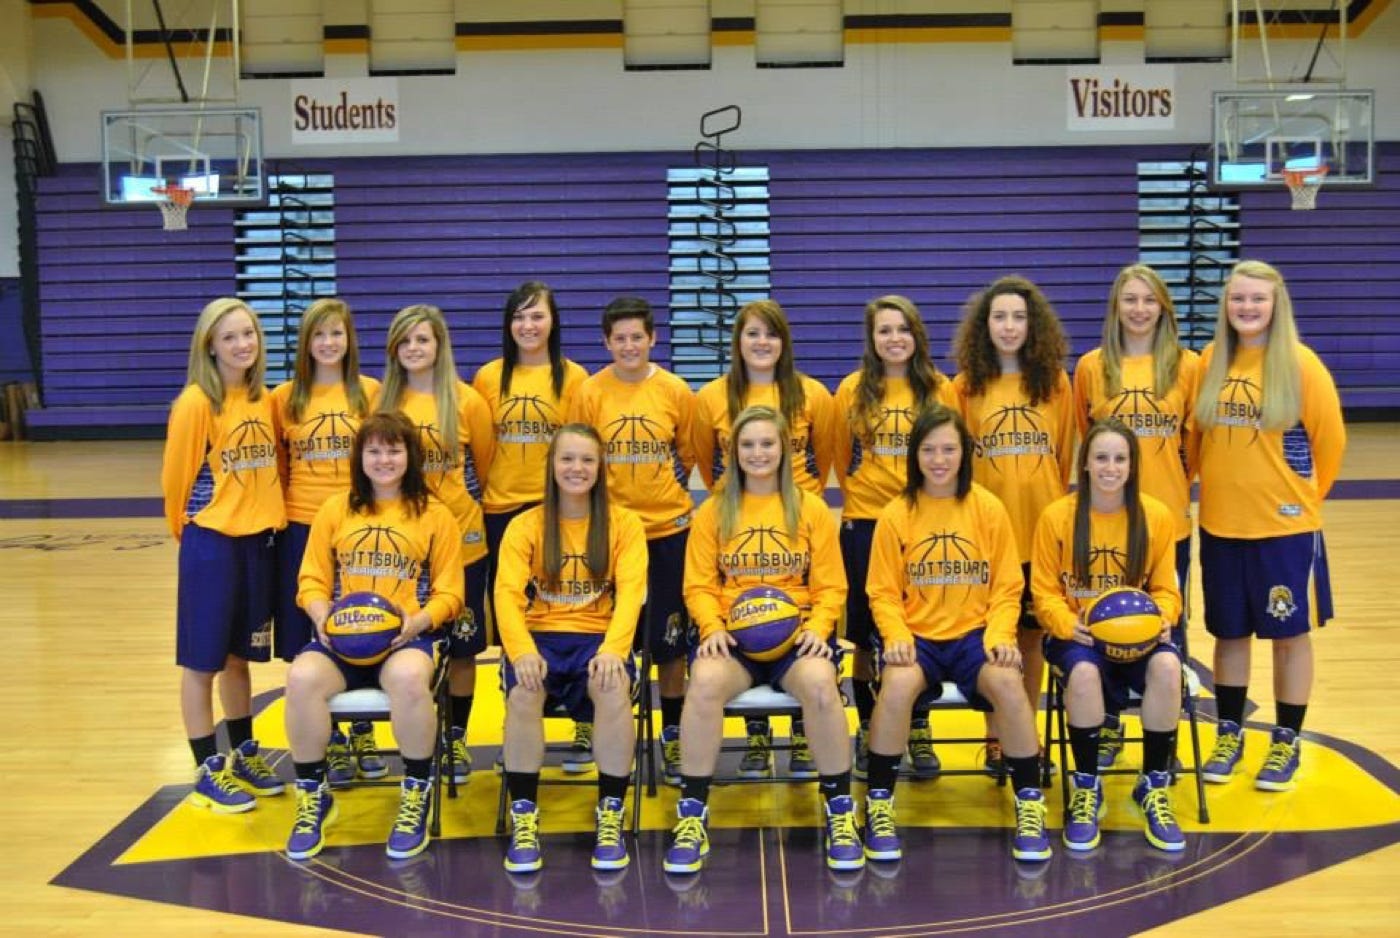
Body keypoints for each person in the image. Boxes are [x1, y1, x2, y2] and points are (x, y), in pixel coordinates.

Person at [665, 405, 854, 874]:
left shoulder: (810, 508)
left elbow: (831, 585)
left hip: (797, 635)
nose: (758, 453)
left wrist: (818, 629)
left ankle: (839, 810)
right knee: (703, 684)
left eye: (767, 443)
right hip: (734, 636)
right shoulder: (714, 510)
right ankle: (692, 812)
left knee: (821, 687)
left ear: (785, 449)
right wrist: (712, 627)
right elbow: (698, 584)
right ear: (733, 452)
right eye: (747, 445)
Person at [863, 405, 1051, 863]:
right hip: (918, 638)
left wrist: (1001, 635)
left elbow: (1008, 585)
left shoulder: (988, 508)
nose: (939, 460)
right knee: (895, 686)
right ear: (915, 454)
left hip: (975, 636)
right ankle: (879, 802)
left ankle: (1029, 802)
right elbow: (882, 591)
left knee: (1008, 683)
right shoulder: (897, 514)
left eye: (949, 449)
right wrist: (895, 635)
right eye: (929, 450)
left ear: (965, 453)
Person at [1190, 260, 1345, 792]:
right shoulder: (1212, 360)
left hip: (1283, 531)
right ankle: (1229, 733)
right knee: (1229, 632)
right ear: (1226, 306)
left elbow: (1331, 443)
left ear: (1277, 305)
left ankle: (1286, 740)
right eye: (1238, 298)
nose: (1247, 307)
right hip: (1220, 526)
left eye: (1258, 298)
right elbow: (1197, 441)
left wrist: (1300, 502)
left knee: (1288, 635)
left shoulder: (1301, 364)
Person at [283, 412, 465, 861]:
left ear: (411, 456)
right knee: (301, 678)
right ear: (359, 457)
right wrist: (321, 615)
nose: (384, 460)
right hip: (341, 639)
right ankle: (313, 794)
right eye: (375, 451)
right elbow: (311, 580)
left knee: (409, 679)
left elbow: (451, 593)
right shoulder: (335, 509)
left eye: (394, 450)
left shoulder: (435, 514)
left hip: (405, 639)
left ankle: (415, 792)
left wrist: (417, 622)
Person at [693, 300, 837, 778]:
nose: (761, 342)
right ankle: (748, 744)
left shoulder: (812, 395)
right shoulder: (711, 398)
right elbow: (702, 458)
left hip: (795, 529)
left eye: (770, 333)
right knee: (729, 641)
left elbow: (828, 454)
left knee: (808, 655)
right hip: (736, 532)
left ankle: (811, 750)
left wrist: (796, 501)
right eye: (751, 333)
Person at [495, 424, 648, 873]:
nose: (576, 468)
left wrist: (614, 651)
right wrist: (522, 652)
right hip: (540, 638)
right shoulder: (524, 525)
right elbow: (506, 595)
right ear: (551, 465)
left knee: (612, 689)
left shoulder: (624, 524)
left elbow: (632, 594)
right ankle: (524, 814)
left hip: (598, 639)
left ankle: (611, 812)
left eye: (586, 459)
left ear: (601, 467)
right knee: (524, 692)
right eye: (567, 458)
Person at [1031, 419, 1186, 852]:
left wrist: (1164, 617)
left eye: (1120, 459)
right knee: (1082, 676)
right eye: (1101, 458)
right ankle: (1086, 787)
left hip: (1138, 638)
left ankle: (1153, 783)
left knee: (1168, 667)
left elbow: (1166, 589)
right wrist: (1068, 625)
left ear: (1133, 466)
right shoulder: (1057, 517)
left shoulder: (1155, 517)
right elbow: (1043, 592)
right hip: (1078, 637)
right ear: (1085, 464)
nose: (1110, 468)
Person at [161, 297, 286, 813]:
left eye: (248, 334)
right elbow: (175, 481)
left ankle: (244, 752)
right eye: (229, 336)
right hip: (213, 544)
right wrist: (196, 536)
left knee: (239, 658)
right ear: (209, 345)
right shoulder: (196, 403)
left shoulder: (265, 400)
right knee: (203, 661)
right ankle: (206, 768)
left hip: (259, 543)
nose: (241, 344)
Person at [1073, 265, 1199, 770]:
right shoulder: (1091, 367)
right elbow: (1085, 438)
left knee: (1163, 632)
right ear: (1116, 307)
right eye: (1130, 300)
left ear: (1163, 308)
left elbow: (1195, 444)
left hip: (1166, 524)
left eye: (1149, 300)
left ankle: (1161, 744)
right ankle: (1105, 724)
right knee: (1102, 625)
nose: (1140, 309)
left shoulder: (1187, 366)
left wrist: (1171, 489)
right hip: (1103, 520)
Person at [570, 297, 698, 785]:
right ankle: (592, 724)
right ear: (606, 342)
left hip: (668, 533)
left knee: (670, 643)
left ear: (652, 339)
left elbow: (688, 454)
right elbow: (580, 458)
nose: (629, 346)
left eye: (636, 337)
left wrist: (663, 496)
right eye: (619, 338)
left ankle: (673, 733)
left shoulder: (675, 390)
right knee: (602, 633)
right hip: (610, 534)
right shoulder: (590, 391)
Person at [952, 275, 1074, 772]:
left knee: (1032, 640)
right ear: (984, 326)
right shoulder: (966, 386)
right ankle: (995, 736)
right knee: (993, 642)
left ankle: (1028, 735)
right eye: (999, 317)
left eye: (1018, 317)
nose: (1008, 326)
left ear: (1033, 325)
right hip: (988, 539)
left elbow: (1063, 457)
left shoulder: (1055, 383)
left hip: (1042, 536)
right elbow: (957, 462)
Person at [833, 294, 957, 781]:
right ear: (872, 338)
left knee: (919, 627)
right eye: (884, 330)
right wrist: (870, 501)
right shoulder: (852, 390)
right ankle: (869, 727)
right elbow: (839, 455)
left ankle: (918, 725)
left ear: (917, 335)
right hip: (867, 521)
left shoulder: (940, 389)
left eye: (902, 329)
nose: (894, 338)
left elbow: (953, 452)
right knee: (866, 636)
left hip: (925, 520)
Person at [474, 282, 591, 769]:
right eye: (519, 317)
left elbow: (582, 447)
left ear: (553, 322)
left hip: (559, 510)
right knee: (514, 616)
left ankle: (586, 721)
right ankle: (519, 724)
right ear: (508, 324)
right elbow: (482, 449)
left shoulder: (575, 378)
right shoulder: (488, 377)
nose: (528, 325)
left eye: (537, 316)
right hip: (503, 511)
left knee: (571, 610)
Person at [379, 304, 495, 782]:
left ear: (439, 345)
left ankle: (456, 738)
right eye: (405, 341)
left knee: (463, 647)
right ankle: (416, 736)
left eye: (422, 340)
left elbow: (484, 469)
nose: (414, 349)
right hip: (405, 549)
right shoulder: (383, 402)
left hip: (464, 540)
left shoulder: (467, 402)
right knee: (411, 643)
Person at [270, 299, 383, 786]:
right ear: (305, 342)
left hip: (357, 527)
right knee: (313, 635)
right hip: (302, 524)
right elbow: (278, 465)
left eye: (337, 333)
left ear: (349, 339)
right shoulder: (284, 398)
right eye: (319, 334)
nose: (328, 343)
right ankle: (332, 739)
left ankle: (362, 731)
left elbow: (383, 457)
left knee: (363, 625)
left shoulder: (370, 392)